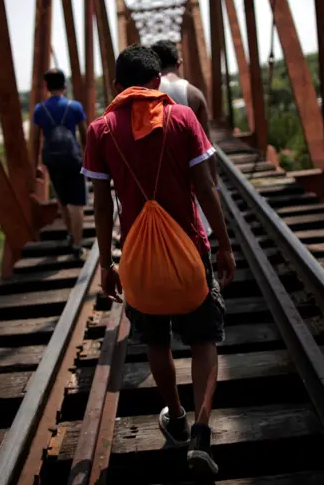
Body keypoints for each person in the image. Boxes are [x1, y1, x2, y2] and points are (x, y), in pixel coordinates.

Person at [81, 44, 236, 477]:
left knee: (156, 343)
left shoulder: (100, 131)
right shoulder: (182, 117)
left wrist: (106, 263)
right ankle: (203, 436)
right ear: (156, 82)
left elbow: (100, 205)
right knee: (204, 341)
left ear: (117, 87)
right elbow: (205, 187)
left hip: (138, 257)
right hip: (190, 248)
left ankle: (178, 419)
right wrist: (223, 244)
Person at [31, 68, 89, 259]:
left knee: (62, 201)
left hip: (53, 161)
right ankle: (78, 246)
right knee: (77, 204)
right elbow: (85, 135)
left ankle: (70, 235)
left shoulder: (40, 110)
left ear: (46, 87)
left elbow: (36, 140)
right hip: (73, 159)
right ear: (64, 85)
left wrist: (36, 165)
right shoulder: (75, 107)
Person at [150, 40, 218, 186]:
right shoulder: (194, 94)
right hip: (188, 177)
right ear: (179, 64)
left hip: (154, 178)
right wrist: (214, 186)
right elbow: (206, 146)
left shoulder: (145, 94)